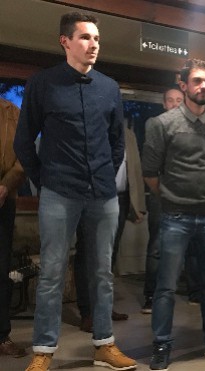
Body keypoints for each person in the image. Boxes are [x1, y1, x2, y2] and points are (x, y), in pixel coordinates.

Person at [13, 12, 136, 371]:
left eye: (97, 38)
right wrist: (43, 180)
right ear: (65, 41)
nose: (93, 44)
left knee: (102, 273)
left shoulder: (109, 87)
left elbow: (116, 142)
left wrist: (104, 174)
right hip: (58, 192)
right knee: (52, 273)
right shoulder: (42, 84)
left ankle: (104, 345)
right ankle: (43, 351)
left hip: (102, 193)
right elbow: (24, 141)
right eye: (85, 37)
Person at [141, 58, 205, 370]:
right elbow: (150, 173)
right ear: (183, 85)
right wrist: (172, 199)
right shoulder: (162, 124)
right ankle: (161, 345)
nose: (204, 87)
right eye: (197, 81)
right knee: (167, 286)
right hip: (175, 218)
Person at [75, 118, 145, 332]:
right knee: (86, 254)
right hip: (91, 196)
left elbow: (134, 168)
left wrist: (137, 204)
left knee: (110, 255)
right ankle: (87, 313)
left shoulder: (128, 134)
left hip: (121, 197)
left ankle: (104, 307)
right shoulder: (89, 126)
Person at [141, 87, 195, 314]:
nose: (174, 104)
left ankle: (195, 292)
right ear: (164, 104)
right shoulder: (156, 125)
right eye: (170, 100)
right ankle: (151, 296)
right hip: (161, 194)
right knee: (157, 247)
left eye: (179, 101)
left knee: (192, 245)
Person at [0, 98, 26, 359]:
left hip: (3, 200)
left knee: (0, 271)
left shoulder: (11, 112)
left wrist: (6, 185)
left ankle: (1, 336)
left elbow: (24, 153)